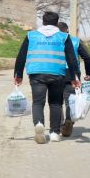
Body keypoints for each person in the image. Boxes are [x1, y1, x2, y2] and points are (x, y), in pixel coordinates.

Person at [14, 11, 80, 144]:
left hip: (36, 73)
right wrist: (74, 77)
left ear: (42, 22)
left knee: (38, 102)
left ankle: (39, 124)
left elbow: (21, 55)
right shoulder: (64, 37)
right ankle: (55, 133)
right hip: (58, 74)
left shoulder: (31, 35)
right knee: (55, 103)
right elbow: (72, 59)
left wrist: (18, 74)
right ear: (57, 23)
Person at [58, 21, 90, 137]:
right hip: (72, 74)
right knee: (70, 100)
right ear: (67, 30)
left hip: (55, 73)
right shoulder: (75, 41)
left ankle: (59, 125)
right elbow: (88, 58)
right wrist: (89, 73)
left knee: (56, 102)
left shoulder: (52, 41)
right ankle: (69, 120)